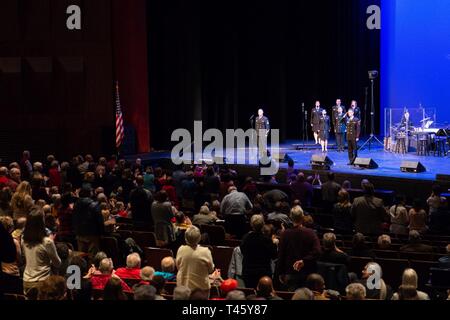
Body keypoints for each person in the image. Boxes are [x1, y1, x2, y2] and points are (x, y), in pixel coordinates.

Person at [278, 206, 321, 291]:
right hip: (308, 272)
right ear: (302, 217)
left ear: (290, 217)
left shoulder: (285, 234)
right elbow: (318, 251)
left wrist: (280, 272)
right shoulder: (311, 233)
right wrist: (304, 261)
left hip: (290, 272)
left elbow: (281, 255)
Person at [22, 208, 61, 299]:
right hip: (43, 282)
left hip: (26, 281)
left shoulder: (23, 239)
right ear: (41, 223)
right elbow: (57, 263)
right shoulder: (47, 242)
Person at [240, 215, 278, 289]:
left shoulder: (246, 238)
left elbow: (242, 251)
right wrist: (274, 245)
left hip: (248, 272)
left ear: (251, 225)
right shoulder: (267, 240)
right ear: (263, 225)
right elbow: (274, 255)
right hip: (263, 273)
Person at [176, 226, 215, 296]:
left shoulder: (181, 249)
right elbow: (211, 270)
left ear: (185, 238)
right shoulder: (206, 251)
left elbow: (178, 267)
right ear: (199, 238)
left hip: (183, 286)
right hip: (201, 289)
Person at [72, 187, 104, 255]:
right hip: (92, 235)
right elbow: (100, 221)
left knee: (82, 256)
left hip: (79, 233)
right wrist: (102, 233)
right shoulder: (95, 205)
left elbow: (74, 218)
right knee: (92, 256)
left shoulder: (75, 204)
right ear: (89, 193)